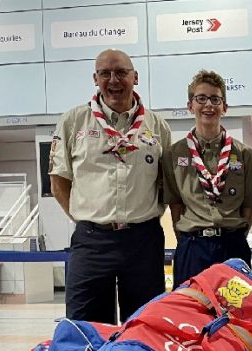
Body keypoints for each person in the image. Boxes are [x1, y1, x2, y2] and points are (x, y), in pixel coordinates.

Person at [49, 49, 171, 324]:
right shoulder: (73, 121)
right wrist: (91, 219)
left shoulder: (157, 126)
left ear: (135, 77)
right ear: (95, 78)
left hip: (143, 241)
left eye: (121, 73)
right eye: (105, 73)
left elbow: (166, 183)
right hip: (92, 242)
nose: (113, 80)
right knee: (86, 327)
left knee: (145, 326)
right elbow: (58, 182)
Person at [164, 70, 252, 286]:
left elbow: (248, 206)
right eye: (201, 98)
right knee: (191, 311)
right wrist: (188, 240)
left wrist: (233, 237)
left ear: (224, 107)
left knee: (236, 313)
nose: (209, 105)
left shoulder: (245, 155)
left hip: (232, 245)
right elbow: (175, 205)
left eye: (215, 99)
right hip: (192, 246)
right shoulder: (173, 154)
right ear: (190, 106)